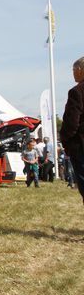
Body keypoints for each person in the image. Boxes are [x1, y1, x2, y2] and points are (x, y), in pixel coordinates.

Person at [60, 56, 84, 204]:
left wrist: (65, 140)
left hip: (80, 146)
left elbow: (71, 122)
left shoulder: (77, 92)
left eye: (74, 70)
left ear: (80, 70)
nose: (73, 73)